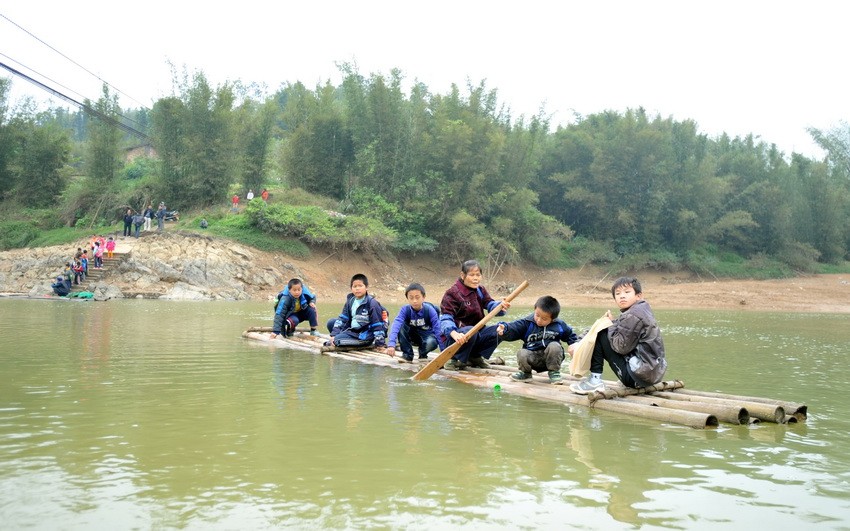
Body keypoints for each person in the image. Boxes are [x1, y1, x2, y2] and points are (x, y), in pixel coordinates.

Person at [571, 277, 668, 394]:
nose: (622, 296)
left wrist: (610, 325)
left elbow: (620, 348)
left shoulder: (633, 315)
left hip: (637, 378)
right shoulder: (640, 310)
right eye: (618, 293)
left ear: (638, 296)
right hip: (651, 376)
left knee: (601, 333)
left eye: (627, 292)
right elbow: (616, 327)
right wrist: (579, 341)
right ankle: (600, 379)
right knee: (604, 328)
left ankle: (595, 381)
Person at [439, 259, 510, 371]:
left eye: (478, 275)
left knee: (502, 329)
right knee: (471, 332)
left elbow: (490, 304)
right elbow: (446, 317)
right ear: (463, 275)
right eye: (472, 275)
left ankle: (475, 356)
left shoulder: (480, 290)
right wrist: (454, 333)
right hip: (456, 338)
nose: (476, 278)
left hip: (475, 334)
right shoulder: (452, 293)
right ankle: (455, 359)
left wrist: (500, 306)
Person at [497, 295, 579, 385]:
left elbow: (571, 335)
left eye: (544, 319)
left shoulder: (559, 325)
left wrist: (573, 344)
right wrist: (504, 330)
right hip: (533, 358)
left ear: (553, 319)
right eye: (537, 315)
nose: (539, 320)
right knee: (521, 352)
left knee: (555, 346)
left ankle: (554, 373)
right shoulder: (527, 323)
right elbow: (513, 328)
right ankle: (525, 374)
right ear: (534, 310)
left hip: (551, 359)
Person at [325, 273, 387, 348]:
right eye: (355, 286)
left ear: (366, 287)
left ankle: (341, 339)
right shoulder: (350, 301)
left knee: (337, 340)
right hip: (352, 330)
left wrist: (380, 343)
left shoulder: (372, 303)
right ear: (351, 288)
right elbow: (343, 318)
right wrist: (333, 335)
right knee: (331, 323)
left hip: (364, 334)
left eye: (360, 286)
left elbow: (377, 324)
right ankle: (340, 337)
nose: (357, 288)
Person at [386, 282, 443, 363]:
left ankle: (423, 354)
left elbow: (438, 331)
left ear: (423, 297)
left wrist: (444, 352)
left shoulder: (430, 310)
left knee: (432, 342)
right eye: (411, 298)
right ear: (407, 298)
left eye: (417, 297)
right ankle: (407, 355)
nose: (414, 301)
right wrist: (391, 344)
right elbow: (396, 325)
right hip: (412, 337)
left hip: (426, 338)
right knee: (401, 325)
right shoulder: (405, 310)